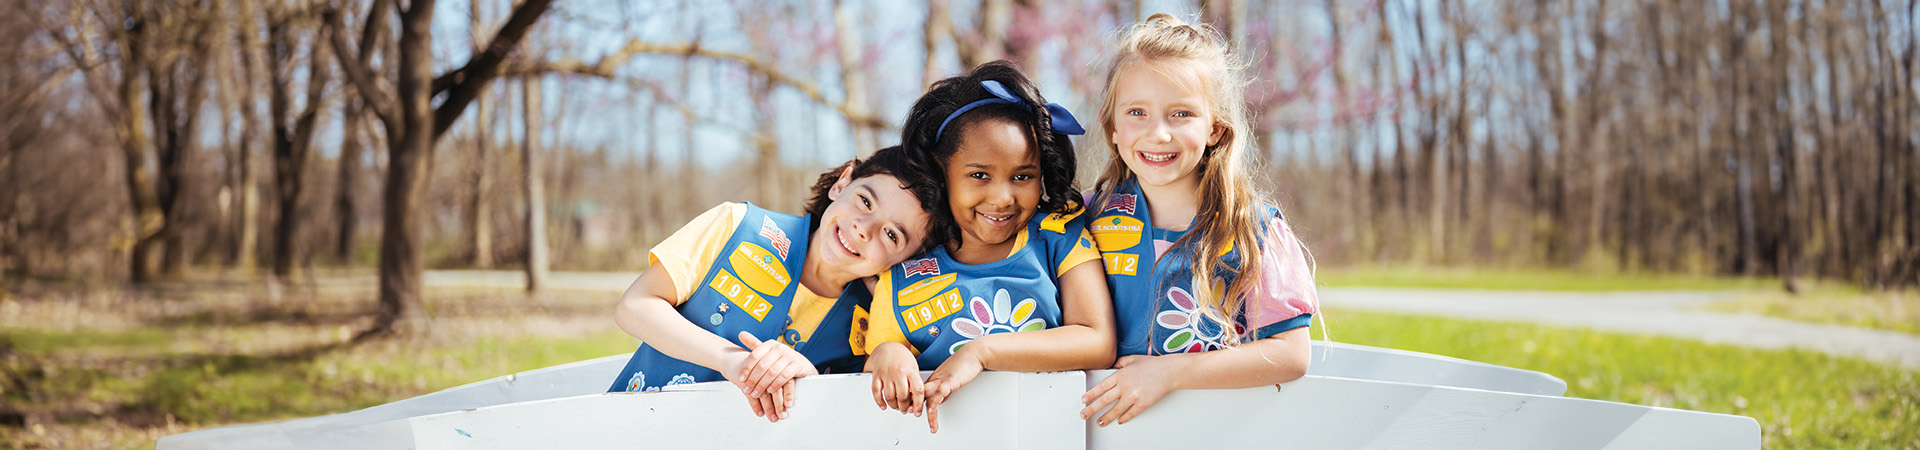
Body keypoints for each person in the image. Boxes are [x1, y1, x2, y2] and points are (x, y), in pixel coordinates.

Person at [1077, 13, 1323, 427]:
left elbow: (1291, 354)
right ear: (1112, 127)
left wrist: (1169, 374)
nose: (1158, 134)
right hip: (1099, 432)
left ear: (1216, 129)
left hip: (1210, 432)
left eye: (1181, 114)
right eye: (1137, 112)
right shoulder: (1081, 221)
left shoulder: (1252, 229)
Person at [863, 60, 1117, 433]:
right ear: (941, 171)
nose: (1002, 198)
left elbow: (1098, 340)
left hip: (1051, 433)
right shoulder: (901, 279)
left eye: (1022, 176)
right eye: (979, 175)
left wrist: (982, 352)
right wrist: (888, 353)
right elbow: (876, 363)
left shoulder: (1059, 237)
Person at [607, 146, 945, 423]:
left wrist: (809, 377)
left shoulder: (872, 323)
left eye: (891, 234)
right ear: (843, 183)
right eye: (865, 201)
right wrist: (732, 360)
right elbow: (635, 306)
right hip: (628, 428)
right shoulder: (739, 227)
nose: (863, 228)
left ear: (905, 260)